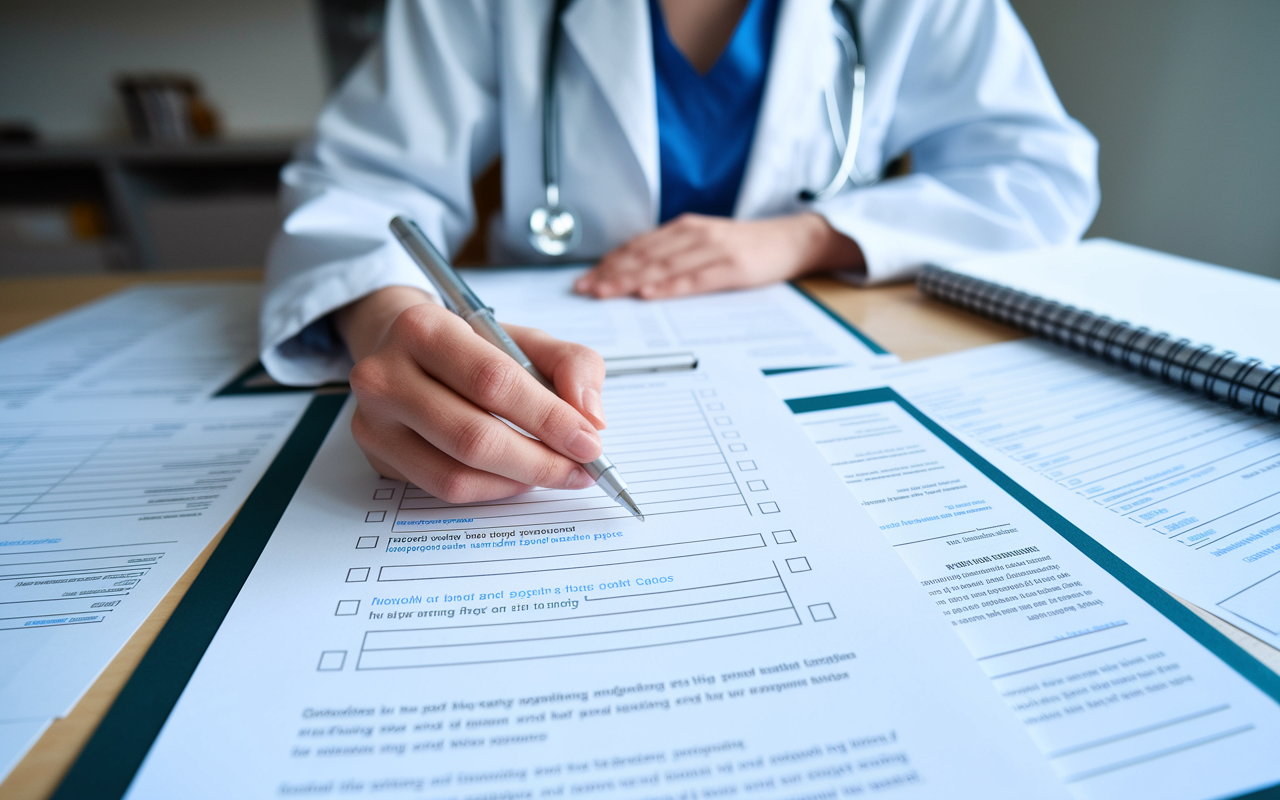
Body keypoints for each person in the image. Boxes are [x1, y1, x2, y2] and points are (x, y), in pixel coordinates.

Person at [262, 0, 1098, 504]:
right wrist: (384, 316)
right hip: (563, 334)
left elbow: (1040, 172)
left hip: (818, 355)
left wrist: (808, 236)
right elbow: (361, 186)